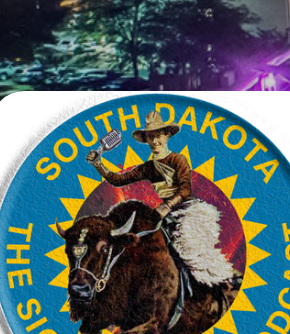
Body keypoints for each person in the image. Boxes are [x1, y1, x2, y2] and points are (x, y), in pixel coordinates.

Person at [86, 110, 238, 296]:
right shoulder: (148, 168)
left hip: (189, 211)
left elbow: (185, 190)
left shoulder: (178, 160)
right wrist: (98, 165)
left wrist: (166, 207)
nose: (155, 141)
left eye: (158, 136)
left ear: (166, 137)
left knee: (190, 248)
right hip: (164, 214)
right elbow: (118, 180)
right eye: (150, 137)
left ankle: (222, 282)